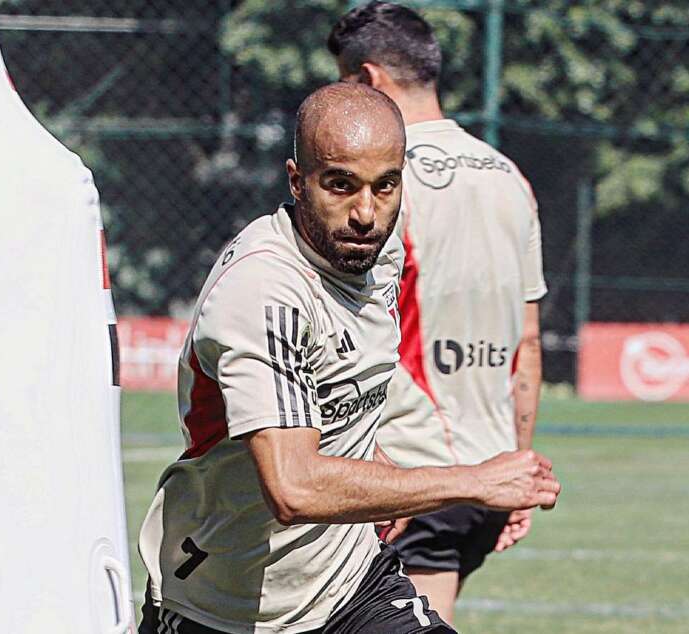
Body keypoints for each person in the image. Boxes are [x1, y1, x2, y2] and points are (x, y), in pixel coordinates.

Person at [137, 82, 559, 634]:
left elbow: (339, 391)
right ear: (296, 180)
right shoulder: (265, 290)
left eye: (386, 187)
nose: (366, 212)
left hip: (350, 585)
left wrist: (378, 467)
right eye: (341, 185)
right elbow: (294, 487)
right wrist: (472, 481)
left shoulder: (375, 256)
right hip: (223, 603)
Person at [328, 2, 550, 623]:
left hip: (413, 468)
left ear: (368, 81)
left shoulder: (381, 180)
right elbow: (527, 344)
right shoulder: (511, 178)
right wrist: (516, 471)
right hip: (488, 467)